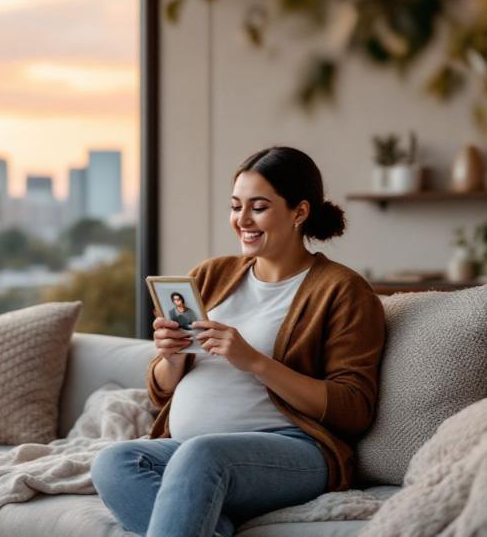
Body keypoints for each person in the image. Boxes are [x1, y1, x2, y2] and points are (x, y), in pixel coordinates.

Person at [91, 146, 386, 537]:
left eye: (258, 207)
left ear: (299, 212)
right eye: (235, 206)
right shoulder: (211, 275)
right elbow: (161, 393)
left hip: (293, 450)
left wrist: (255, 361)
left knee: (202, 455)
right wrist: (172, 358)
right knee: (113, 462)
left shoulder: (343, 290)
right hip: (190, 452)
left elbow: (354, 408)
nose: (242, 220)